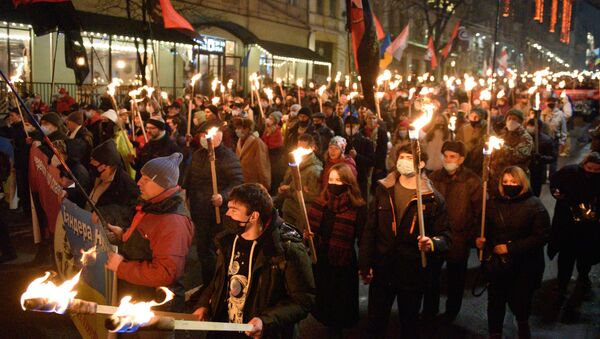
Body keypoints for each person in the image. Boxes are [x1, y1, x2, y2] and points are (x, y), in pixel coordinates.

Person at [192, 183, 315, 338]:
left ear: (254, 216)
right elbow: (220, 280)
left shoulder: (286, 249)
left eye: (234, 210)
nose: (227, 214)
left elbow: (303, 301)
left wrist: (265, 322)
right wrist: (204, 303)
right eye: (229, 207)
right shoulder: (228, 241)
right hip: (225, 330)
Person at [359, 144, 451, 338]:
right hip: (383, 268)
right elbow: (370, 229)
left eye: (410, 158)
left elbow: (445, 236)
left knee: (409, 322)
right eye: (402, 157)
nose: (404, 162)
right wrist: (365, 263)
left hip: (412, 271)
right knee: (376, 320)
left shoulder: (432, 199)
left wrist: (432, 243)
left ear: (422, 163)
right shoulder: (384, 189)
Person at [106, 153, 194, 312]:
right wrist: (124, 235)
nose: (139, 182)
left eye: (146, 179)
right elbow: (149, 237)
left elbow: (165, 273)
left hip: (157, 303)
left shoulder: (172, 221)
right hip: (141, 293)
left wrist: (121, 268)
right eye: (141, 177)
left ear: (163, 184)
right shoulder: (154, 204)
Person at [475, 166, 550, 339]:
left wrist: (511, 248)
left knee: (521, 300)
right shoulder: (492, 204)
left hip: (525, 266)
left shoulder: (534, 205)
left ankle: (523, 323)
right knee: (495, 302)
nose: (510, 185)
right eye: (506, 181)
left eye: (514, 181)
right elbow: (482, 228)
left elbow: (541, 236)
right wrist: (479, 240)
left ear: (522, 183)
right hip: (497, 266)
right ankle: (495, 332)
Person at [307, 163, 366, 338]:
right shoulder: (321, 202)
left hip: (343, 261)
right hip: (322, 258)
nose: (334, 183)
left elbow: (363, 238)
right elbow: (312, 228)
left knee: (340, 300)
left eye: (338, 180)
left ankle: (336, 328)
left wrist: (366, 264)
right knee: (325, 296)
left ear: (348, 182)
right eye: (331, 179)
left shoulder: (358, 207)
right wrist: (308, 235)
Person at [425, 141, 482, 321]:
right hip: (436, 235)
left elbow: (479, 210)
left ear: (461, 159)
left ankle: (451, 312)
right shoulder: (433, 177)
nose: (448, 160)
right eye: (445, 156)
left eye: (452, 156)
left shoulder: (472, 181)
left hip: (459, 237)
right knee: (431, 276)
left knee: (455, 278)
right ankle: (429, 310)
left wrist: (469, 235)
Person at [183, 121, 244, 286]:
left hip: (219, 213)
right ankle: (208, 285)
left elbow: (237, 182)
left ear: (219, 136)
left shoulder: (228, 156)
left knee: (221, 250)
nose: (205, 138)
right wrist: (183, 195)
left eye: (207, 135)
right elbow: (188, 179)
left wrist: (223, 196)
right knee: (203, 250)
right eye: (202, 135)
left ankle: (223, 285)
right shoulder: (197, 155)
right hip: (199, 211)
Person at [548, 152, 600, 300]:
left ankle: (583, 277)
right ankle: (562, 284)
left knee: (586, 256)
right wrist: (556, 192)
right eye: (590, 169)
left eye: (597, 170)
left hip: (590, 226)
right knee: (566, 256)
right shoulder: (570, 172)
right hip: (568, 224)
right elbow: (555, 183)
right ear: (584, 165)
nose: (593, 172)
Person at [276, 133, 323, 232]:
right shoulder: (295, 161)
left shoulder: (315, 170)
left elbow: (313, 195)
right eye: (298, 146)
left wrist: (290, 189)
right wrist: (282, 188)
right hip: (288, 207)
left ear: (312, 148)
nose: (299, 150)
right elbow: (287, 179)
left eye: (303, 147)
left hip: (301, 211)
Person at [88, 139, 140, 227]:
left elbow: (131, 211)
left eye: (94, 165)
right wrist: (69, 190)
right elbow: (80, 185)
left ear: (106, 166)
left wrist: (105, 212)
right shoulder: (96, 176)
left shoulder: (126, 184)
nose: (92, 167)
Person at [489, 109, 533, 197]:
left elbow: (519, 156)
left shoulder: (525, 137)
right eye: (509, 118)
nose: (511, 121)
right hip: (498, 176)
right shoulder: (502, 134)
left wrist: (503, 147)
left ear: (520, 121)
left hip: (515, 178)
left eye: (514, 119)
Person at [235, 118, 271, 190]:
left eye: (239, 128)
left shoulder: (257, 143)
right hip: (242, 179)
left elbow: (262, 164)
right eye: (236, 128)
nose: (237, 130)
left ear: (247, 129)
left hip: (254, 182)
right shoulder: (240, 141)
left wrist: (265, 184)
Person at [344, 115, 374, 198]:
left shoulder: (366, 142)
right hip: (346, 178)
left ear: (358, 126)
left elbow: (371, 161)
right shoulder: (342, 141)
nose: (349, 128)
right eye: (347, 126)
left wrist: (357, 156)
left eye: (352, 126)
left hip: (360, 178)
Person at [525, 118, 557, 197]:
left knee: (535, 193)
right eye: (529, 125)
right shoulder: (523, 138)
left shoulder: (546, 140)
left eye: (532, 125)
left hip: (537, 171)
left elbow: (552, 157)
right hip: (524, 170)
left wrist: (541, 158)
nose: (530, 127)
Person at [541, 97, 567, 176]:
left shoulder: (560, 114)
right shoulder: (543, 113)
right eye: (549, 101)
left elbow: (563, 129)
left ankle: (552, 176)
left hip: (555, 140)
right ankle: (543, 177)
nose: (551, 103)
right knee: (543, 159)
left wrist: (563, 141)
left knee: (553, 160)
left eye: (553, 101)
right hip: (544, 140)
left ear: (556, 103)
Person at [456, 107, 486, 176]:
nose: (474, 118)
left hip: (480, 163)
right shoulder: (464, 129)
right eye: (472, 116)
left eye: (476, 116)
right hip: (466, 162)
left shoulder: (486, 129)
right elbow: (459, 145)